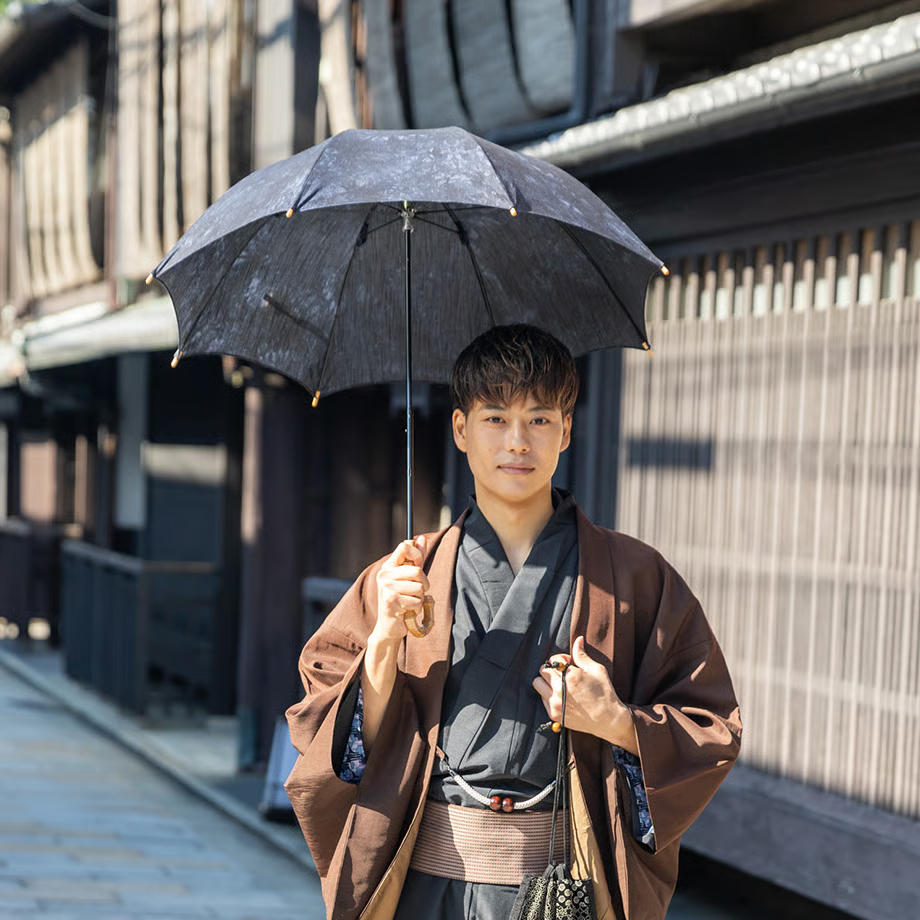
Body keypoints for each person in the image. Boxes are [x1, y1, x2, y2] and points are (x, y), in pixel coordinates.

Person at [285, 324, 742, 920]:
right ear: (461, 429)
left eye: (540, 419)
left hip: (561, 890)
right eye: (495, 418)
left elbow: (710, 728)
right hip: (424, 887)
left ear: (567, 430)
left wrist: (616, 721)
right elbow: (325, 736)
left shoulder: (634, 577)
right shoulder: (402, 577)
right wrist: (381, 645)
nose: (517, 442)